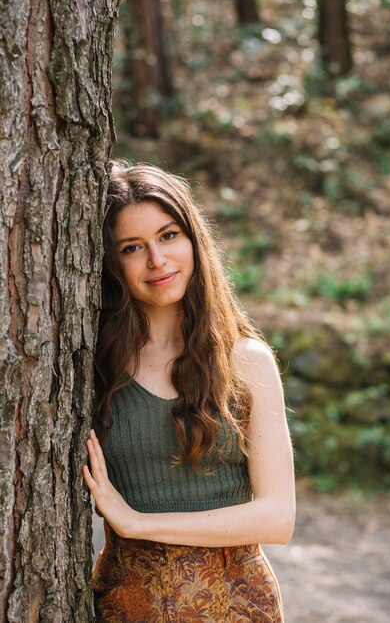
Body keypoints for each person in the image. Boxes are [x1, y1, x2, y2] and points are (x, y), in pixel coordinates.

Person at [82, 160, 296, 622]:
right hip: (126, 603)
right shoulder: (92, 365)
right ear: (110, 262)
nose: (157, 261)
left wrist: (138, 523)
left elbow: (277, 517)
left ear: (194, 240)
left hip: (236, 606)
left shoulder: (246, 361)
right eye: (132, 247)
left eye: (168, 236)